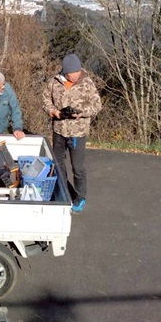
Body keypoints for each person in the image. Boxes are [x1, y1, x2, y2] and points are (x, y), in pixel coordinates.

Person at [42, 54, 101, 214]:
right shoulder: (54, 82)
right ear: (65, 72)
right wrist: (53, 111)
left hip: (78, 132)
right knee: (58, 163)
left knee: (78, 167)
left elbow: (97, 105)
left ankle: (80, 197)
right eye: (72, 73)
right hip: (59, 130)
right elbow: (45, 99)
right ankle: (64, 193)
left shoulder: (87, 82)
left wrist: (82, 112)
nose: (76, 75)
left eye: (78, 72)